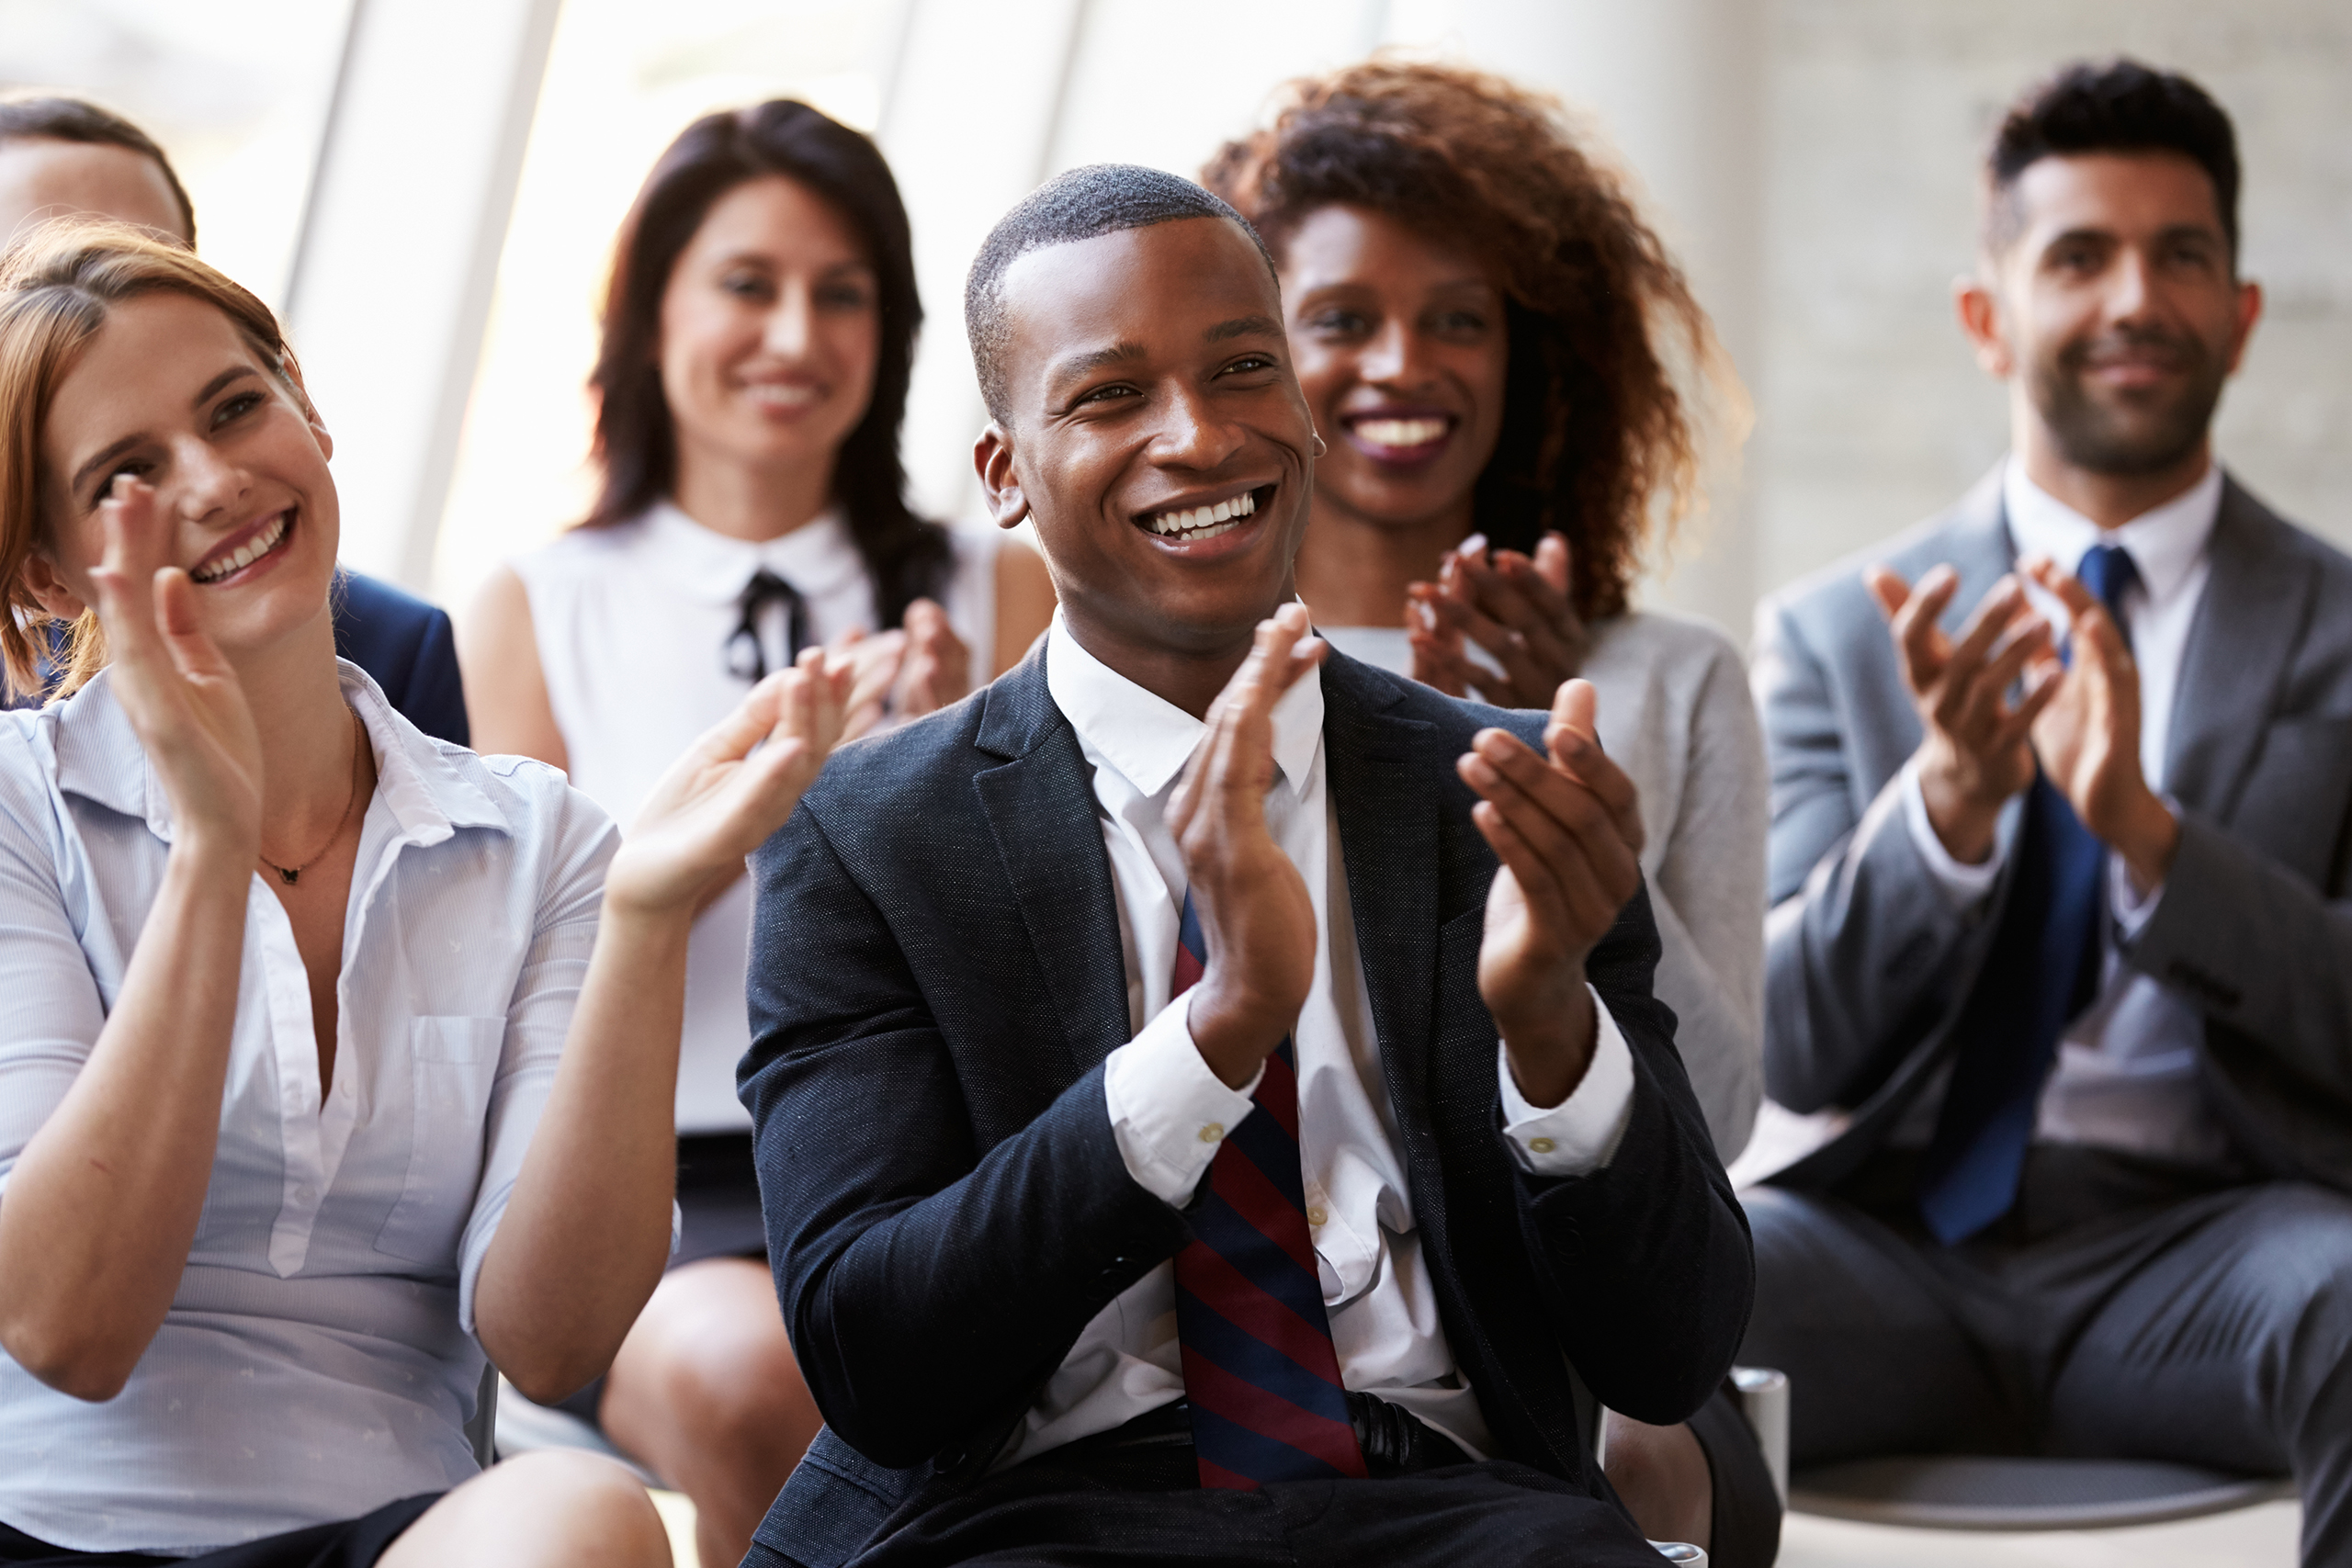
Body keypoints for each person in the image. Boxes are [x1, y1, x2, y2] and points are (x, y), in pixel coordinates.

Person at [735, 164, 1749, 1568]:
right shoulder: (871, 832)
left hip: (1447, 1501)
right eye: (1108, 396)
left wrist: (1554, 1034)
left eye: (1243, 369)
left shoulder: (1509, 790)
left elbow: (1672, 1350)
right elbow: (878, 1357)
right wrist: (1211, 1041)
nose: (1199, 437)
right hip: (1036, 1513)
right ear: (1003, 474)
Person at [0, 222, 847, 1564]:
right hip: (53, 1528)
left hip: (399, 1530)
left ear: (308, 410)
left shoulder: (538, 837)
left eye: (237, 406)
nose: (216, 479)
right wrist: (213, 857)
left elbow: (551, 1334)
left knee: (588, 1511)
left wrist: (644, 916)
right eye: (129, 476)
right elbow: (69, 1326)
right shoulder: (15, 805)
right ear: (50, 571)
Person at [1745, 60, 2352, 1567]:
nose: (2135, 296)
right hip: (1886, 1255)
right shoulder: (1833, 633)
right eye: (2080, 255)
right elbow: (1798, 1041)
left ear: (2240, 313)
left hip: (2216, 1252)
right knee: (1618, 1280)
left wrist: (2147, 831)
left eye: (2182, 256)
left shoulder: (2346, 631)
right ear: (1987, 316)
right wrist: (1947, 808)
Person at [458, 98, 1056, 1567]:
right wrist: (777, 814)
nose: (795, 334)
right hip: (656, 1181)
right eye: (747, 283)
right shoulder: (535, 606)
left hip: (936, 1153)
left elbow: (1071, 945)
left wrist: (933, 793)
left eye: (840, 292)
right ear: (652, 307)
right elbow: (501, 971)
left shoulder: (1001, 592)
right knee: (751, 1382)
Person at [1202, 62, 1773, 1561]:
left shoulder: (1664, 680)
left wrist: (1587, 837)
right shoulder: (1188, 681)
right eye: (1342, 320)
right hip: (1255, 1326)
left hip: (1588, 1343)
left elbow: (1711, 1120)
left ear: (1536, 354)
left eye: (1460, 317)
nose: (1407, 361)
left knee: (1622, 1460)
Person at [0, 94, 471, 743]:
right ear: (44, 575)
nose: (91, 294)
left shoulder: (399, 647)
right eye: (28, 283)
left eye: (137, 260)